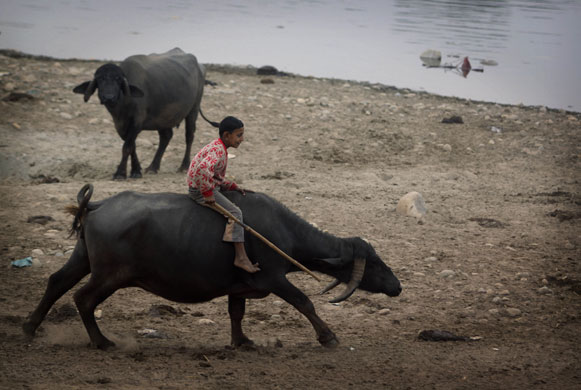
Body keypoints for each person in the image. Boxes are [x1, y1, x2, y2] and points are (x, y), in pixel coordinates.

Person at [187, 116, 260, 273]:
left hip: (207, 184)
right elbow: (201, 170)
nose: (242, 139)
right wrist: (207, 194)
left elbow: (214, 175)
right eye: (239, 135)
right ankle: (240, 257)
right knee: (235, 213)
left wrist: (232, 186)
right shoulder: (218, 151)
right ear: (226, 135)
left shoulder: (218, 147)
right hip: (200, 190)